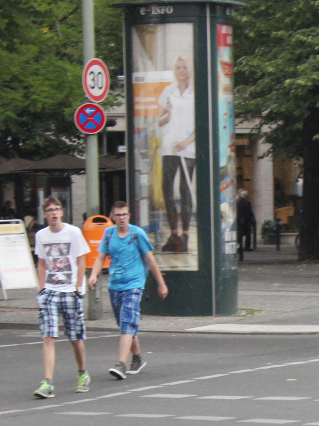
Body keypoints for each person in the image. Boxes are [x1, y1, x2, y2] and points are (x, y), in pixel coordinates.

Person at [87, 201, 170, 380]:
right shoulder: (108, 234)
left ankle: (121, 364)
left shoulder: (136, 233)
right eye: (118, 215)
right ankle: (138, 357)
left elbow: (150, 258)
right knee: (125, 324)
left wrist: (161, 283)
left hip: (134, 284)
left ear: (129, 215)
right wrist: (94, 275)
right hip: (115, 285)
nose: (121, 218)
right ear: (113, 217)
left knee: (127, 322)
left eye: (124, 214)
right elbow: (100, 257)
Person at [31, 197, 91, 398]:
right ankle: (47, 382)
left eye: (57, 209)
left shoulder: (73, 232)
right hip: (50, 291)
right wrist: (41, 289)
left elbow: (81, 261)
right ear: (45, 214)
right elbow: (41, 263)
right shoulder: (41, 235)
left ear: (62, 212)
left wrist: (78, 287)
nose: (54, 213)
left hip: (70, 291)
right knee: (49, 336)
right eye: (50, 210)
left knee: (75, 337)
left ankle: (82, 372)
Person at [157, 56, 196, 254]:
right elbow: (160, 121)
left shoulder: (196, 94)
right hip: (170, 147)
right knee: (167, 188)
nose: (181, 70)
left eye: (185, 67)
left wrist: (187, 141)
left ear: (190, 70)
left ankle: (186, 234)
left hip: (188, 149)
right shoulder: (169, 91)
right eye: (178, 67)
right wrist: (168, 114)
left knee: (185, 189)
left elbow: (201, 123)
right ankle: (174, 233)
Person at [236, 190, 255, 260]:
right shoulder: (247, 202)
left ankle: (239, 248)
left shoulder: (238, 202)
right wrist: (252, 221)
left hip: (240, 222)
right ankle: (246, 247)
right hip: (246, 222)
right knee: (247, 234)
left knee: (239, 237)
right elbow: (249, 212)